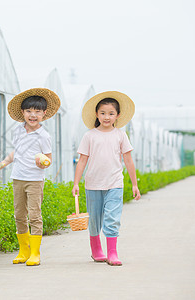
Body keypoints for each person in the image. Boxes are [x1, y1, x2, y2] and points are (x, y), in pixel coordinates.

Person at [0, 88, 60, 266]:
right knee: (19, 215)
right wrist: (3, 163)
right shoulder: (18, 131)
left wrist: (43, 162)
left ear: (44, 113)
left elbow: (49, 159)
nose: (32, 115)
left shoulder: (44, 135)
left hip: (35, 180)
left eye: (37, 112)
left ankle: (35, 253)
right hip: (18, 178)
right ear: (22, 113)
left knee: (35, 215)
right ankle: (24, 250)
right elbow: (16, 153)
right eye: (29, 111)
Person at [72, 91, 141, 266]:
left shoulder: (120, 135)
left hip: (114, 183)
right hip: (93, 184)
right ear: (96, 114)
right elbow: (82, 161)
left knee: (112, 217)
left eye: (111, 113)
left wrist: (134, 184)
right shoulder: (89, 136)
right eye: (103, 113)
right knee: (95, 219)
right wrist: (75, 183)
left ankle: (112, 252)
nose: (106, 117)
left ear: (117, 115)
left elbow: (128, 160)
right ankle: (96, 250)